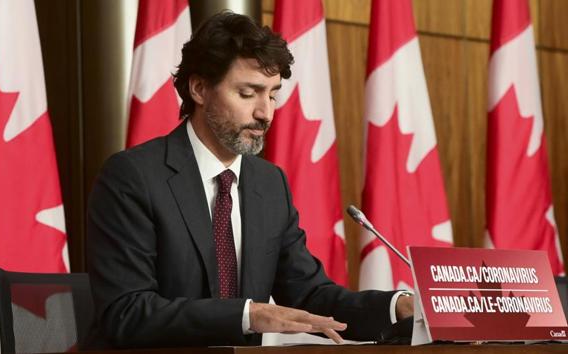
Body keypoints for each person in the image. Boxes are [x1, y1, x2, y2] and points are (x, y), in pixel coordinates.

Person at [86, 11, 413, 349]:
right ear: (199, 89)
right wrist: (247, 315)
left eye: (272, 94)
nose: (265, 112)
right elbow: (126, 311)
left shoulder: (269, 183)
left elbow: (311, 296)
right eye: (247, 94)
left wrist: (397, 308)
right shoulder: (133, 177)